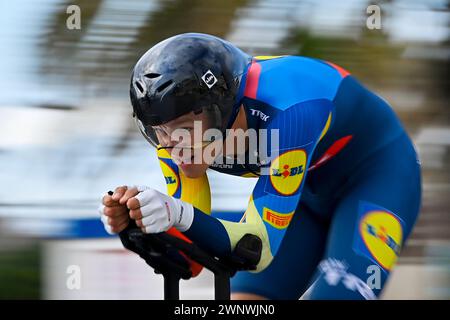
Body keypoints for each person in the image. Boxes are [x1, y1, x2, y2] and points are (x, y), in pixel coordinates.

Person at [99, 33, 421, 300]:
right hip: (305, 194)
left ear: (223, 108)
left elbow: (257, 247)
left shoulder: (288, 114)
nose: (174, 146)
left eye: (185, 128)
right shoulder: (172, 137)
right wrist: (140, 227)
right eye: (158, 132)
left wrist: (176, 213)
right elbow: (193, 260)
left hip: (378, 175)